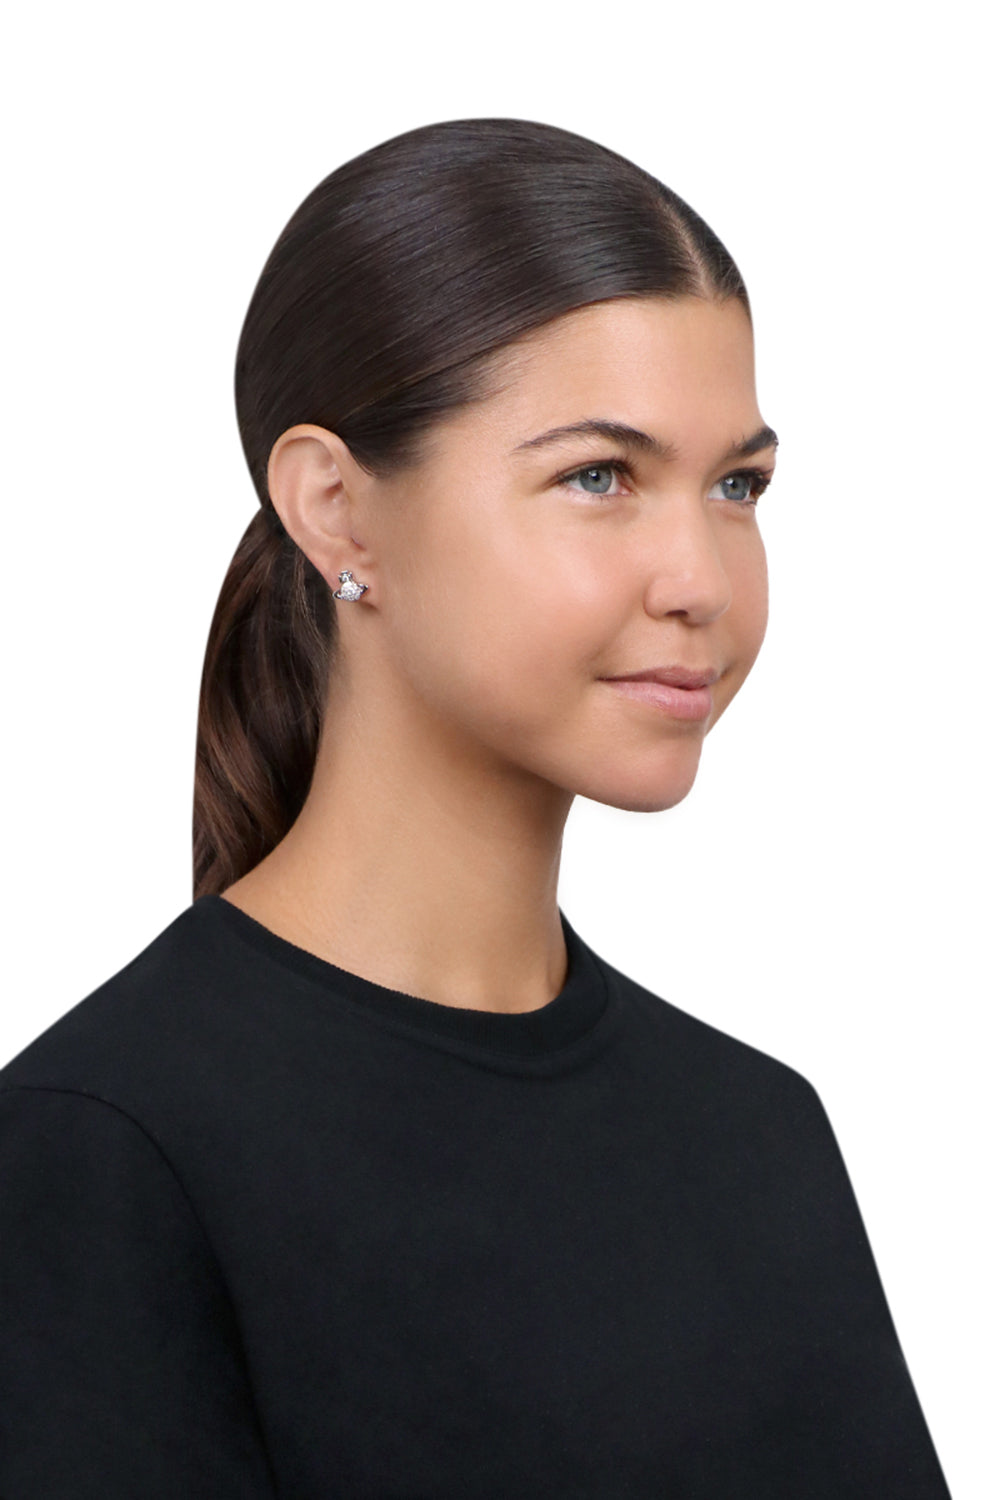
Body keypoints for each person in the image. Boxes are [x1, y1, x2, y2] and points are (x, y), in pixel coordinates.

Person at [0, 117, 951, 1498]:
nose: (701, 579)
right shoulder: (102, 1151)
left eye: (737, 485)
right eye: (599, 476)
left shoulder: (757, 1133)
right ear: (338, 509)